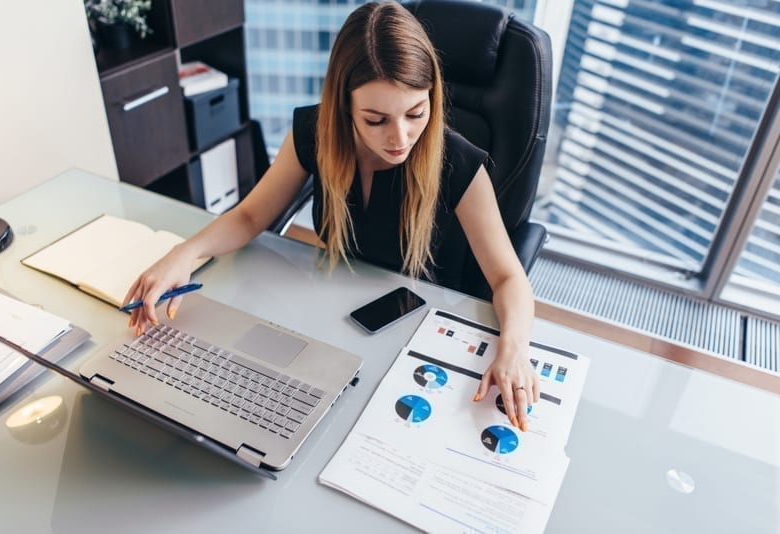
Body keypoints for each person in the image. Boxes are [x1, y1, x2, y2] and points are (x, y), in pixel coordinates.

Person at [124, 1, 539, 430]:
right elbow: (250, 216)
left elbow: (510, 279)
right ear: (344, 106)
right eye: (375, 120)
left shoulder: (457, 162)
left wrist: (513, 347)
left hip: (416, 334)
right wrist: (184, 253)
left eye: (416, 112)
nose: (400, 138)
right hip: (336, 319)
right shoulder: (315, 132)